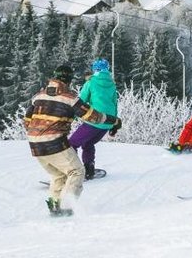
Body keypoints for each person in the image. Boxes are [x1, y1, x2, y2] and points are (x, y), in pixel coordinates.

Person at [24, 64, 121, 216]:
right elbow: (92, 116)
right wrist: (113, 120)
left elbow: (27, 120)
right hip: (54, 142)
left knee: (59, 175)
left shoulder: (39, 96)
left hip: (34, 144)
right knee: (77, 171)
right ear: (69, 80)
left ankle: (55, 206)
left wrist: (38, 134)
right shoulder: (69, 98)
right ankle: (66, 207)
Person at [68, 58, 118, 180]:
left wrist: (70, 118)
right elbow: (115, 104)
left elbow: (80, 102)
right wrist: (114, 124)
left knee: (70, 144)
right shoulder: (112, 84)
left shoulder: (91, 82)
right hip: (107, 122)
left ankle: (70, 172)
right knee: (88, 143)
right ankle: (89, 170)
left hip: (94, 120)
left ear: (95, 69)